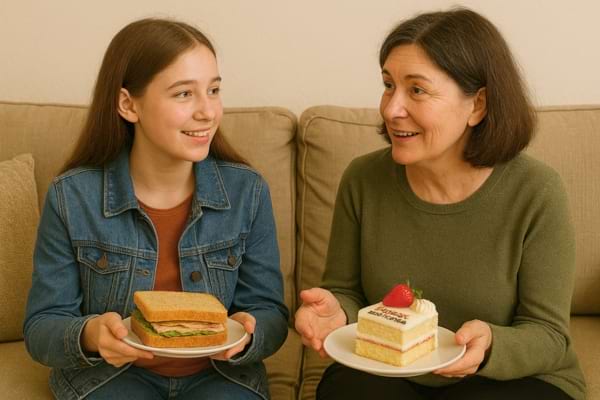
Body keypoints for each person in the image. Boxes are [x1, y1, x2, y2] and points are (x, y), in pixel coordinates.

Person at [295, 7, 585, 400]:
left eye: (416, 89)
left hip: (506, 381)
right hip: (391, 373)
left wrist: (491, 345)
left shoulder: (536, 191)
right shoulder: (362, 179)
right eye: (388, 85)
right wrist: (337, 311)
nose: (391, 109)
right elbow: (346, 291)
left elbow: (549, 335)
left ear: (477, 105)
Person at [23, 18, 288, 400]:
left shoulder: (248, 192)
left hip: (221, 378)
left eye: (213, 90)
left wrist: (251, 330)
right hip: (111, 378)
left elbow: (270, 311)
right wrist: (92, 335)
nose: (208, 112)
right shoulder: (72, 196)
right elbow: (42, 325)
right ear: (128, 104)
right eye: (184, 94)